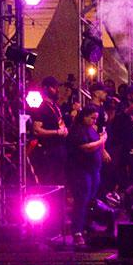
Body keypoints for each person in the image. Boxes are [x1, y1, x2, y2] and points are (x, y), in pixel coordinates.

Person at [66, 105, 110, 246]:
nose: (94, 121)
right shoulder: (77, 131)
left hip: (93, 170)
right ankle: (77, 231)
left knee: (90, 200)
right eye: (92, 118)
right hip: (81, 170)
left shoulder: (91, 129)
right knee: (81, 200)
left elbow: (97, 143)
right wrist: (101, 141)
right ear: (84, 116)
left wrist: (103, 150)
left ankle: (86, 226)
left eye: (95, 119)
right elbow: (86, 147)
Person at [30, 76, 68, 185]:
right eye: (54, 87)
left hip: (60, 148)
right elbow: (36, 130)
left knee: (60, 181)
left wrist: (64, 130)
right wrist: (56, 132)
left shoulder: (55, 106)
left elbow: (59, 123)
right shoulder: (41, 107)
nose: (57, 90)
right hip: (48, 150)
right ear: (46, 88)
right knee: (49, 181)